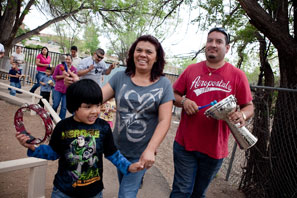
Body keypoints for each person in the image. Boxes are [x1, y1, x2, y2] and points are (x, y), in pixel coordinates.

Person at [64, 35, 175, 198]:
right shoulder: (120, 77)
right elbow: (96, 98)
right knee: (125, 181)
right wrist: (77, 85)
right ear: (133, 53)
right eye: (139, 50)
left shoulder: (164, 84)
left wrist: (151, 149)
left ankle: (137, 180)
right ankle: (137, 181)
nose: (143, 54)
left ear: (157, 57)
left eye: (149, 52)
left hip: (142, 151)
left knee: (126, 193)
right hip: (119, 149)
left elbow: (165, 120)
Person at [15, 79, 144, 198]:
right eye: (88, 107)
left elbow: (112, 153)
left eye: (98, 105)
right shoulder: (63, 127)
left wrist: (128, 167)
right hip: (63, 192)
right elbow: (53, 153)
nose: (95, 111)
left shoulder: (103, 127)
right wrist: (33, 147)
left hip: (94, 193)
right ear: (74, 107)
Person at [170, 27, 254, 198]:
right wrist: (184, 101)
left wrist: (242, 115)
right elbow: (172, 94)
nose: (213, 45)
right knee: (181, 191)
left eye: (219, 41)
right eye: (210, 41)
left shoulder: (237, 75)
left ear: (227, 48)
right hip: (185, 144)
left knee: (198, 193)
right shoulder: (191, 70)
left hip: (214, 149)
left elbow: (249, 106)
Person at [52, 54, 77, 119]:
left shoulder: (74, 69)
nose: (67, 61)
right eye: (66, 59)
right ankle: (51, 118)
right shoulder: (59, 66)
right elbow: (54, 77)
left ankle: (60, 121)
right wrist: (63, 76)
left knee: (64, 107)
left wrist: (71, 77)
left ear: (72, 60)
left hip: (68, 91)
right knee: (55, 105)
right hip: (58, 89)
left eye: (69, 59)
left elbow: (75, 81)